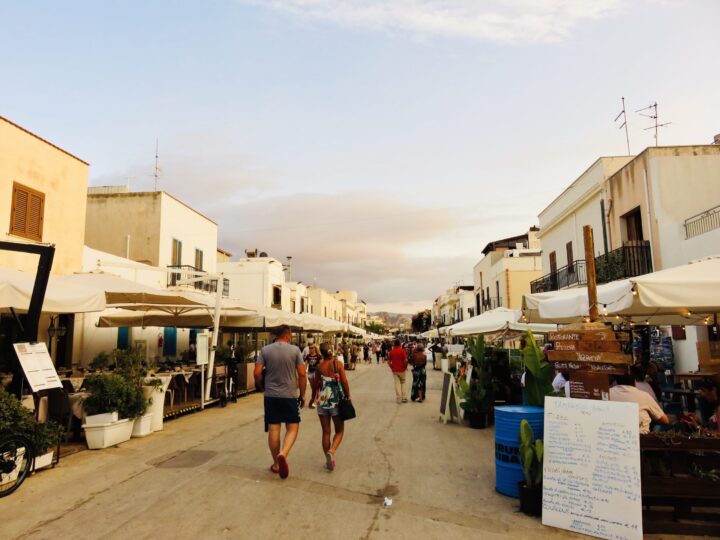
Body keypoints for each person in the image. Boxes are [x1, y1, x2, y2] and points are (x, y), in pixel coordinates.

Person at [253, 325, 307, 479]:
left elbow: (257, 373)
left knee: (274, 429)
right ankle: (283, 453)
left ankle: (276, 464)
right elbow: (302, 374)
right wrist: (302, 395)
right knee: (292, 427)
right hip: (289, 395)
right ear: (288, 334)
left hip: (271, 396)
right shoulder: (295, 350)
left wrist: (262, 386)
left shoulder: (265, 350)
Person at [313, 342, 351, 471]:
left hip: (323, 400)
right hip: (336, 400)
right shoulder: (338, 364)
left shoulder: (319, 367)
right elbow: (344, 382)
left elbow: (316, 384)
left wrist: (313, 398)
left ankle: (328, 460)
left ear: (321, 353)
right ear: (332, 351)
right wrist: (348, 395)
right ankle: (332, 451)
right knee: (339, 430)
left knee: (326, 431)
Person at [305, 344, 322, 409]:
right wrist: (304, 371)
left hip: (316, 373)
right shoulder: (308, 356)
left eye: (312, 348)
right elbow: (306, 364)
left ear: (315, 348)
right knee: (313, 388)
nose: (311, 349)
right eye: (310, 348)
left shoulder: (318, 356)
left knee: (316, 387)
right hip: (310, 372)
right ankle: (315, 400)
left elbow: (321, 365)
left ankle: (313, 401)